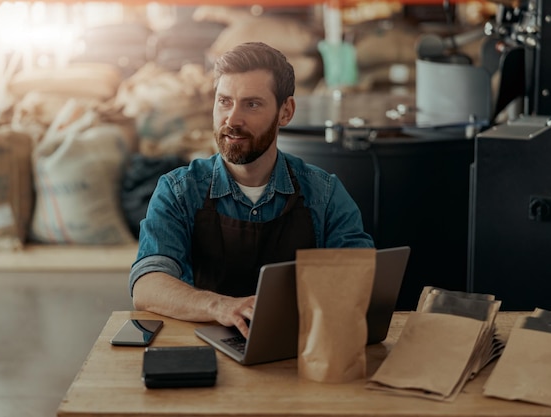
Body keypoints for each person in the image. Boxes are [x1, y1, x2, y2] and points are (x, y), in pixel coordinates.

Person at [130, 42, 374, 338]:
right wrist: (219, 306)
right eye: (224, 102)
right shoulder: (179, 191)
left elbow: (362, 280)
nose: (232, 120)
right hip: (202, 358)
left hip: (297, 355)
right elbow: (148, 285)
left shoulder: (324, 194)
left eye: (252, 104)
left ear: (286, 112)